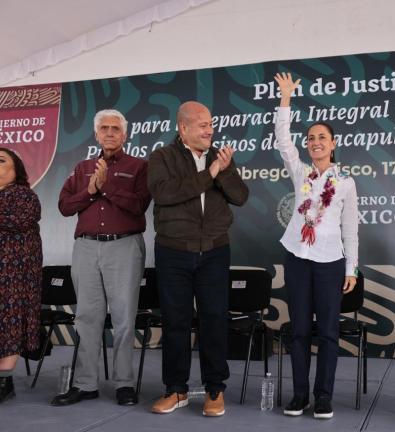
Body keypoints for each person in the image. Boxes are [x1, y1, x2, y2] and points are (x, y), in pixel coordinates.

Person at [147, 101, 248, 417]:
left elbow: (240, 197)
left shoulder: (220, 157)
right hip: (173, 252)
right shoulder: (162, 157)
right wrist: (211, 173)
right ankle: (175, 389)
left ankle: (215, 389)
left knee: (214, 320)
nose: (209, 130)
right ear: (183, 128)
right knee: (175, 322)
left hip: (215, 251)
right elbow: (166, 194)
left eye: (211, 124)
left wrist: (223, 171)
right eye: (203, 125)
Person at [273, 73, 359, 419]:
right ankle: (299, 396)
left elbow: (351, 230)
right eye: (310, 138)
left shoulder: (345, 183)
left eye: (322, 137)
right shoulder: (301, 175)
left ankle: (323, 397)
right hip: (297, 257)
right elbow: (283, 142)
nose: (315, 142)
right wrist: (285, 100)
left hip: (329, 262)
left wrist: (351, 267)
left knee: (327, 332)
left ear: (333, 144)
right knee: (298, 331)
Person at [53, 109, 151, 407]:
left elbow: (138, 205)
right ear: (96, 134)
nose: (109, 133)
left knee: (123, 319)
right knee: (87, 317)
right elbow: (65, 206)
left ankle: (124, 383)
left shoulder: (139, 166)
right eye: (104, 128)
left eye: (115, 128)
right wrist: (91, 189)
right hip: (86, 247)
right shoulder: (82, 168)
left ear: (125, 134)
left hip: (123, 246)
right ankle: (85, 384)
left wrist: (105, 185)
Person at [0, 148, 42, 403]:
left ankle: (4, 382)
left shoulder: (24, 196)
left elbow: (17, 220)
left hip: (14, 278)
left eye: (1, 160)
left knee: (9, 322)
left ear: (16, 172)